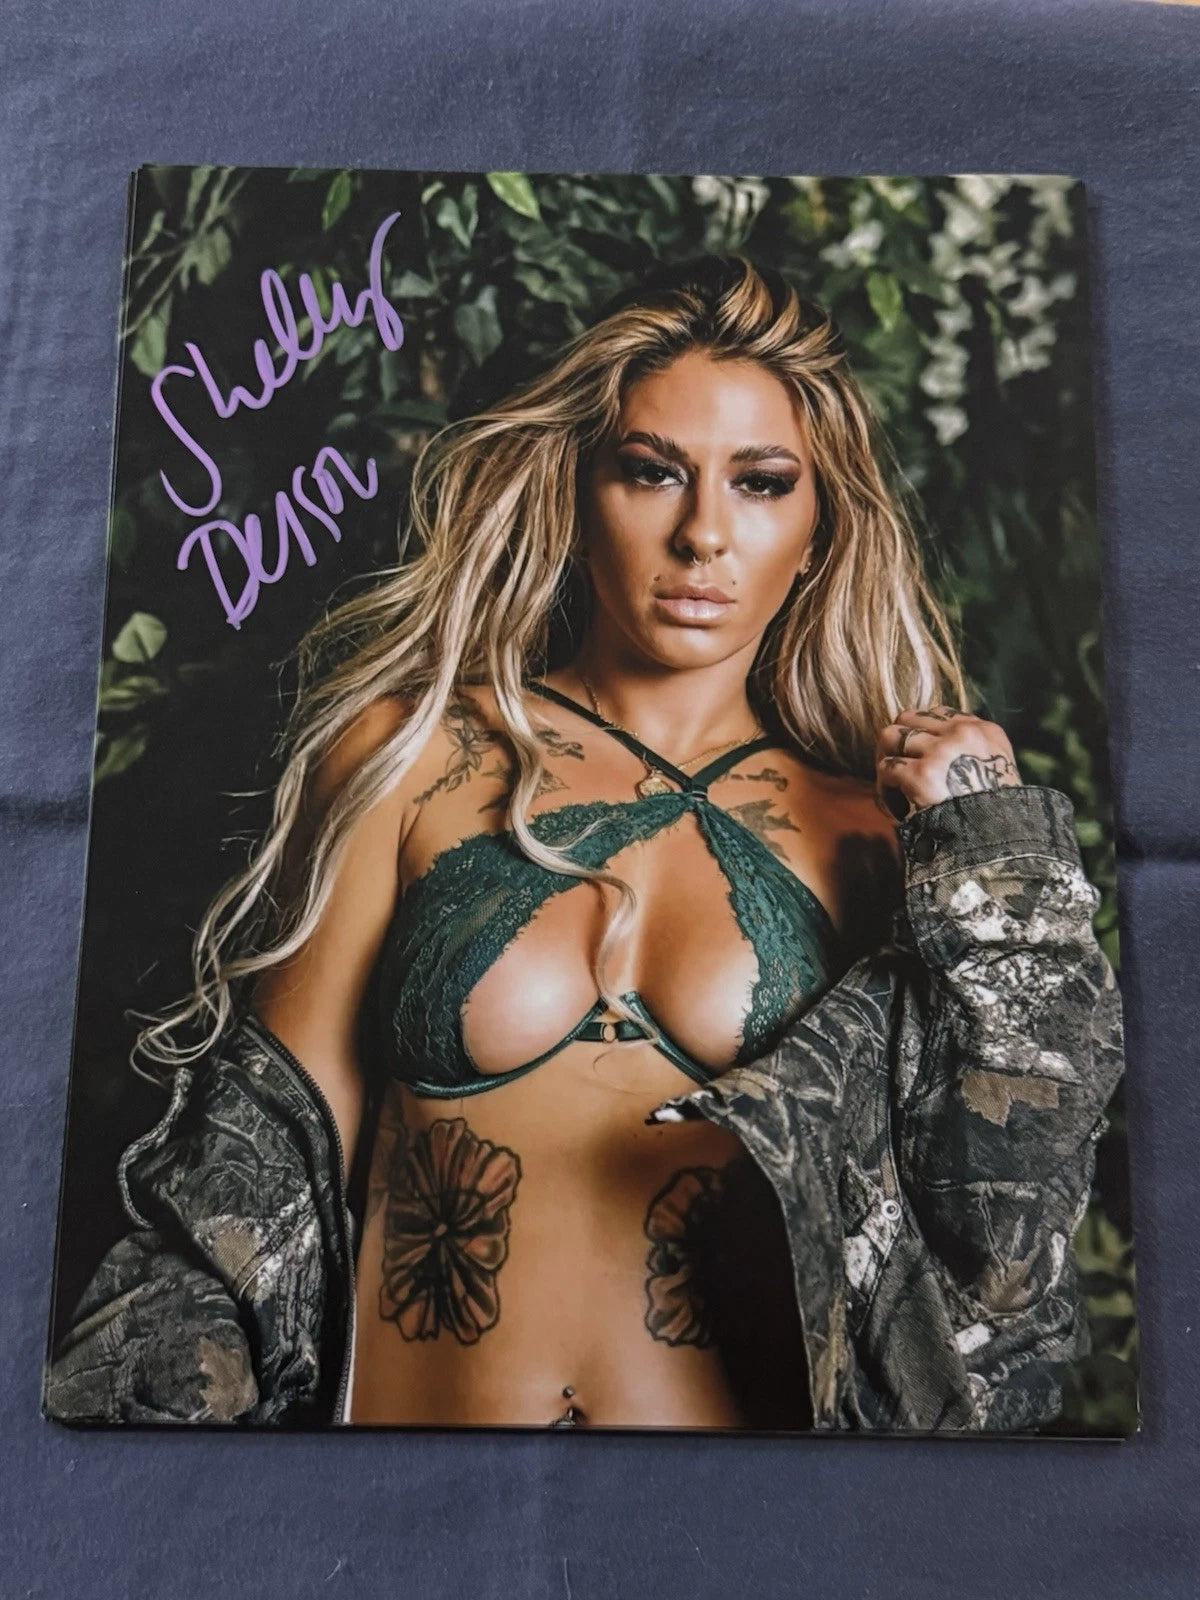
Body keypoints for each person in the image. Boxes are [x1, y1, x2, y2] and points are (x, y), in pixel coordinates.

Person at [44, 254, 1124, 1433]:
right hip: (422, 1497)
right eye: (652, 471)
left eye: (762, 483)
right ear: (576, 488)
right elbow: (245, 1188)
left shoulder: (877, 835)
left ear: (818, 528)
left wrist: (991, 850)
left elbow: (1003, 1255)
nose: (703, 533)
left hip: (750, 1510)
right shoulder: (411, 755)